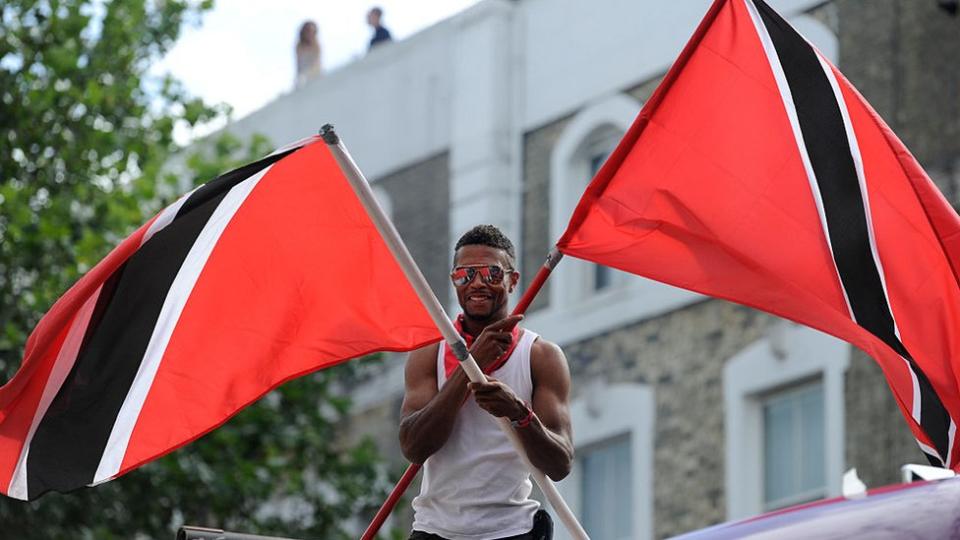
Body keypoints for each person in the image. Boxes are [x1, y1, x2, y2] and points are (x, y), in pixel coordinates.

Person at [399, 225, 574, 540]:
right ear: (454, 280)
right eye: (465, 275)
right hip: (435, 531)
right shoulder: (428, 354)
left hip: (512, 531)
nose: (477, 284)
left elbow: (560, 464)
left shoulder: (539, 356)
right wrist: (471, 364)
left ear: (512, 280)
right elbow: (414, 446)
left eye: (492, 274)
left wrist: (519, 413)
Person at [295, 20, 321, 88]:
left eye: (312, 32)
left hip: (315, 75)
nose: (310, 35)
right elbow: (299, 65)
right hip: (302, 76)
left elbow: (317, 64)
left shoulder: (316, 45)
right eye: (308, 31)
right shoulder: (299, 46)